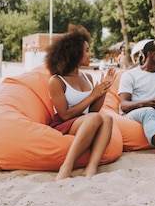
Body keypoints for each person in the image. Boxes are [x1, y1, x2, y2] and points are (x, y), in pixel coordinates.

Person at [46, 24, 116, 180]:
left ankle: (91, 167)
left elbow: (93, 111)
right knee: (96, 118)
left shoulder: (87, 77)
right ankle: (67, 165)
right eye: (87, 51)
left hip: (85, 121)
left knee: (107, 118)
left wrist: (103, 90)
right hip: (65, 123)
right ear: (75, 54)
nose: (90, 54)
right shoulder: (57, 81)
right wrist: (92, 95)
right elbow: (64, 115)